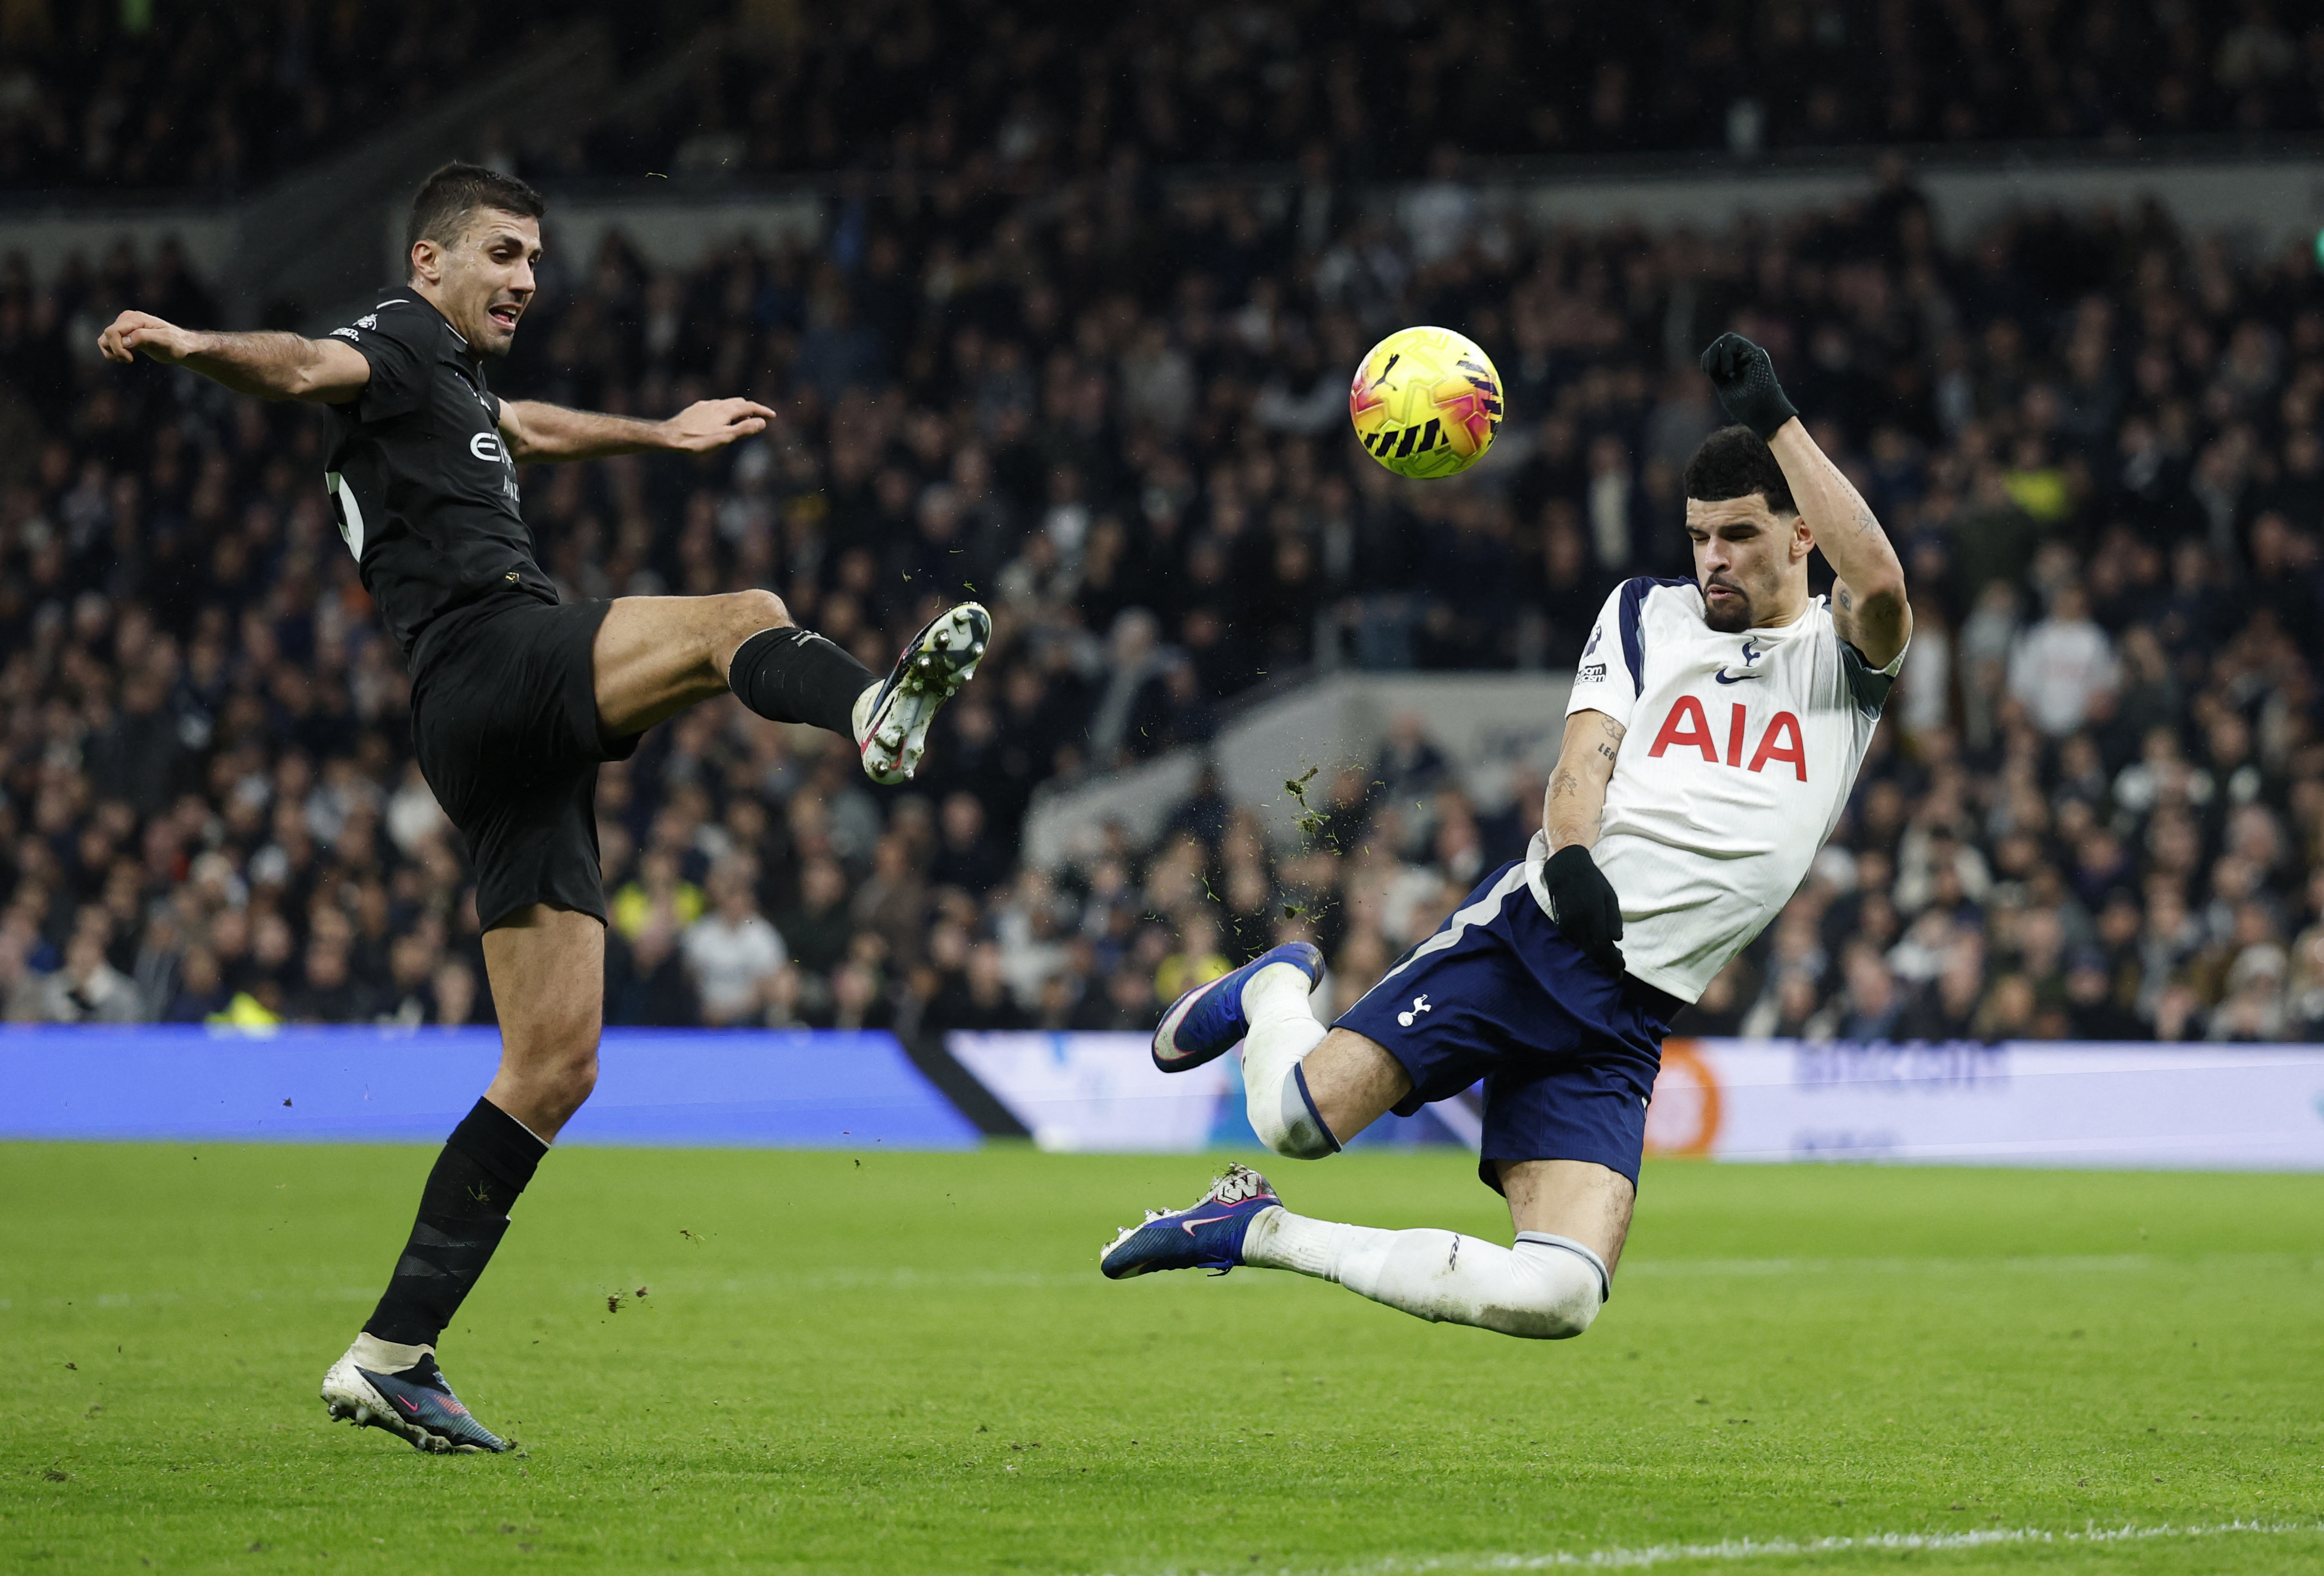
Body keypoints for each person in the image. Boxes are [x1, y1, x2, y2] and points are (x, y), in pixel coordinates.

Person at [98, 162, 988, 1452]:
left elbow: (532, 430)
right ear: (430, 263)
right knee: (741, 616)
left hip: (479, 728)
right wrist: (192, 344)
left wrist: (663, 432)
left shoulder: (447, 382)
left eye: (534, 261)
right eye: (503, 254)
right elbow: (296, 367)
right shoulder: (396, 337)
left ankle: (392, 1352)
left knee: (554, 1064)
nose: (525, 278)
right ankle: (870, 712)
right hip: (486, 658)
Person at [1102, 333, 1911, 1340]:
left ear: (1801, 539)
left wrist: (1779, 420)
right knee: (1293, 1122)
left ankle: (1256, 1230)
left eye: (1739, 534)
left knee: (1559, 1298)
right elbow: (1582, 762)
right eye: (1699, 535)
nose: (1712, 558)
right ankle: (1273, 987)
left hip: (1629, 1016)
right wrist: (1569, 857)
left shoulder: (1839, 661)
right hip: (1534, 941)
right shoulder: (1645, 614)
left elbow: (1877, 581)